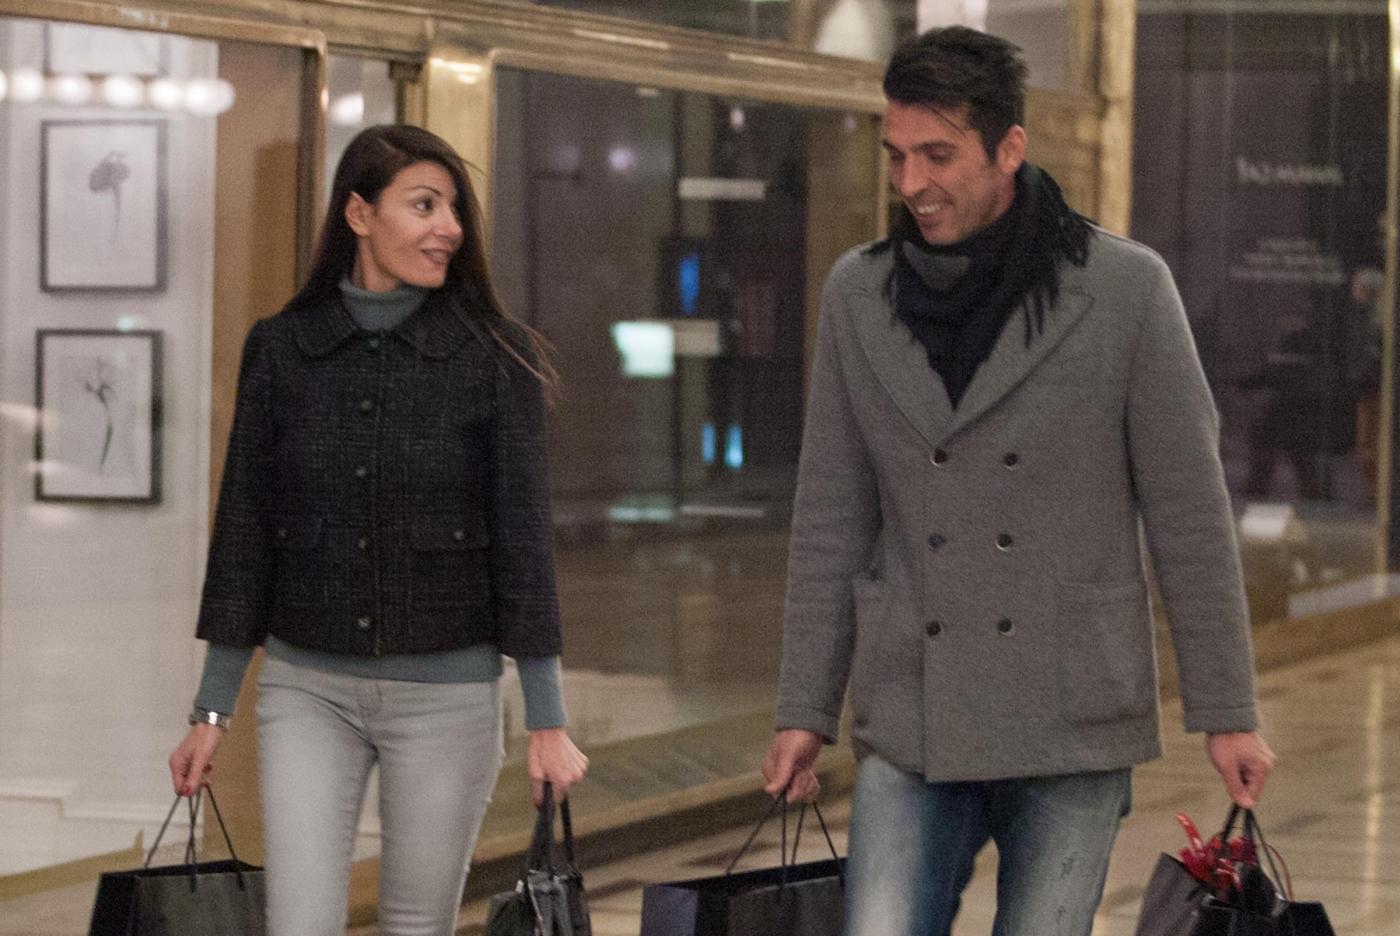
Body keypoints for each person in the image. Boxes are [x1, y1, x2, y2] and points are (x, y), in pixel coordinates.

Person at [759, 27, 1274, 936]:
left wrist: (1227, 711)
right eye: (897, 155)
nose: (911, 182)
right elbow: (831, 515)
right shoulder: (857, 296)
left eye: (938, 155)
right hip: (914, 707)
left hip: (1071, 710)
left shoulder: (1125, 290)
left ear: (1009, 149)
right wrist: (805, 706)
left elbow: (1189, 517)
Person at [167, 125, 587, 936]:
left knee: (415, 925)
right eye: (424, 205)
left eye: (454, 209)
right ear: (359, 215)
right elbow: (245, 529)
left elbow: (524, 541)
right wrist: (210, 711)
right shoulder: (282, 349)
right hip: (306, 691)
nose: (449, 228)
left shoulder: (494, 358)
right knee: (298, 923)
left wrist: (548, 720)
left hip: (447, 699)